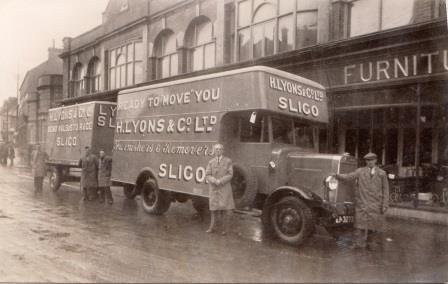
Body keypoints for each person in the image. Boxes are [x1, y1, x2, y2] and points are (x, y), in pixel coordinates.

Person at [334, 152, 389, 250]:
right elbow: (348, 177)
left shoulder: (382, 173)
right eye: (368, 160)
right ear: (366, 162)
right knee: (359, 225)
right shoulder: (360, 171)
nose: (370, 162)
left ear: (376, 160)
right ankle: (358, 244)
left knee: (374, 226)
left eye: (372, 160)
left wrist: (385, 204)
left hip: (376, 204)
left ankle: (371, 244)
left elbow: (386, 190)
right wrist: (336, 175)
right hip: (362, 202)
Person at [205, 144, 235, 235]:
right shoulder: (211, 162)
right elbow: (207, 174)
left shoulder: (228, 161)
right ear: (214, 151)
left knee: (224, 209)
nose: (218, 151)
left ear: (223, 151)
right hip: (214, 188)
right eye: (216, 149)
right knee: (213, 209)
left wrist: (220, 181)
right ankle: (212, 227)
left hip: (224, 188)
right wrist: (214, 180)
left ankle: (224, 229)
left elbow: (230, 174)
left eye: (220, 149)